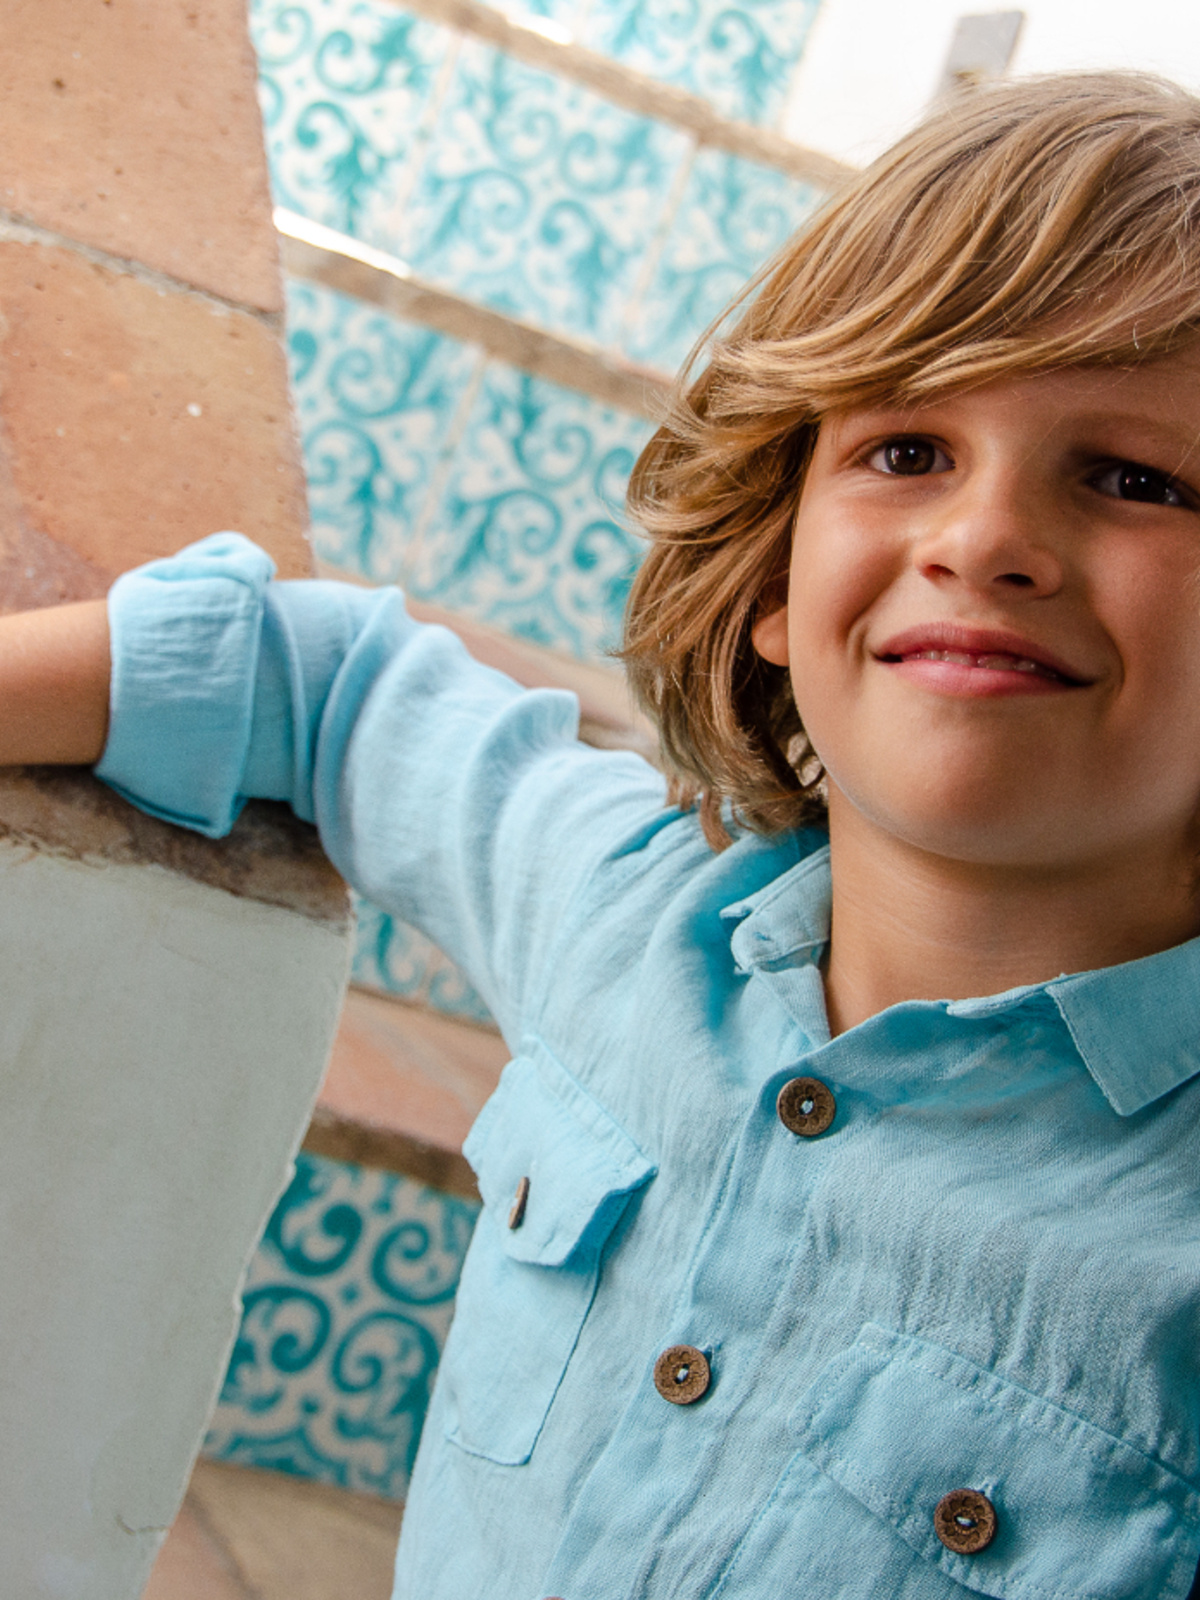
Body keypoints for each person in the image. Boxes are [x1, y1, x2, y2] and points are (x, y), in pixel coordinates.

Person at [6, 68, 1200, 1600]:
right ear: (775, 576)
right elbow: (307, 677)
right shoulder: (625, 908)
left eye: (1132, 477)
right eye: (907, 451)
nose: (984, 540)